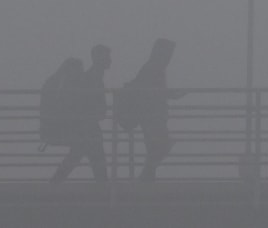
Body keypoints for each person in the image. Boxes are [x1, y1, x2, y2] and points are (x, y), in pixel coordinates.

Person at [49, 45, 111, 183]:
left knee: (77, 156)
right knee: (94, 160)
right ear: (97, 58)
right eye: (107, 56)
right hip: (88, 129)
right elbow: (87, 104)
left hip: (86, 129)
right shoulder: (92, 77)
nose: (110, 60)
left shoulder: (92, 76)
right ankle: (104, 192)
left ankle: (53, 185)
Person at [125, 39, 184, 182]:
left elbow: (153, 90)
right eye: (168, 54)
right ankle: (146, 179)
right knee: (159, 147)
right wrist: (172, 94)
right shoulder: (153, 68)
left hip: (153, 116)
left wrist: (170, 94)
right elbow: (152, 92)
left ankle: (147, 178)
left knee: (156, 148)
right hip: (152, 116)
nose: (169, 58)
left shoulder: (152, 67)